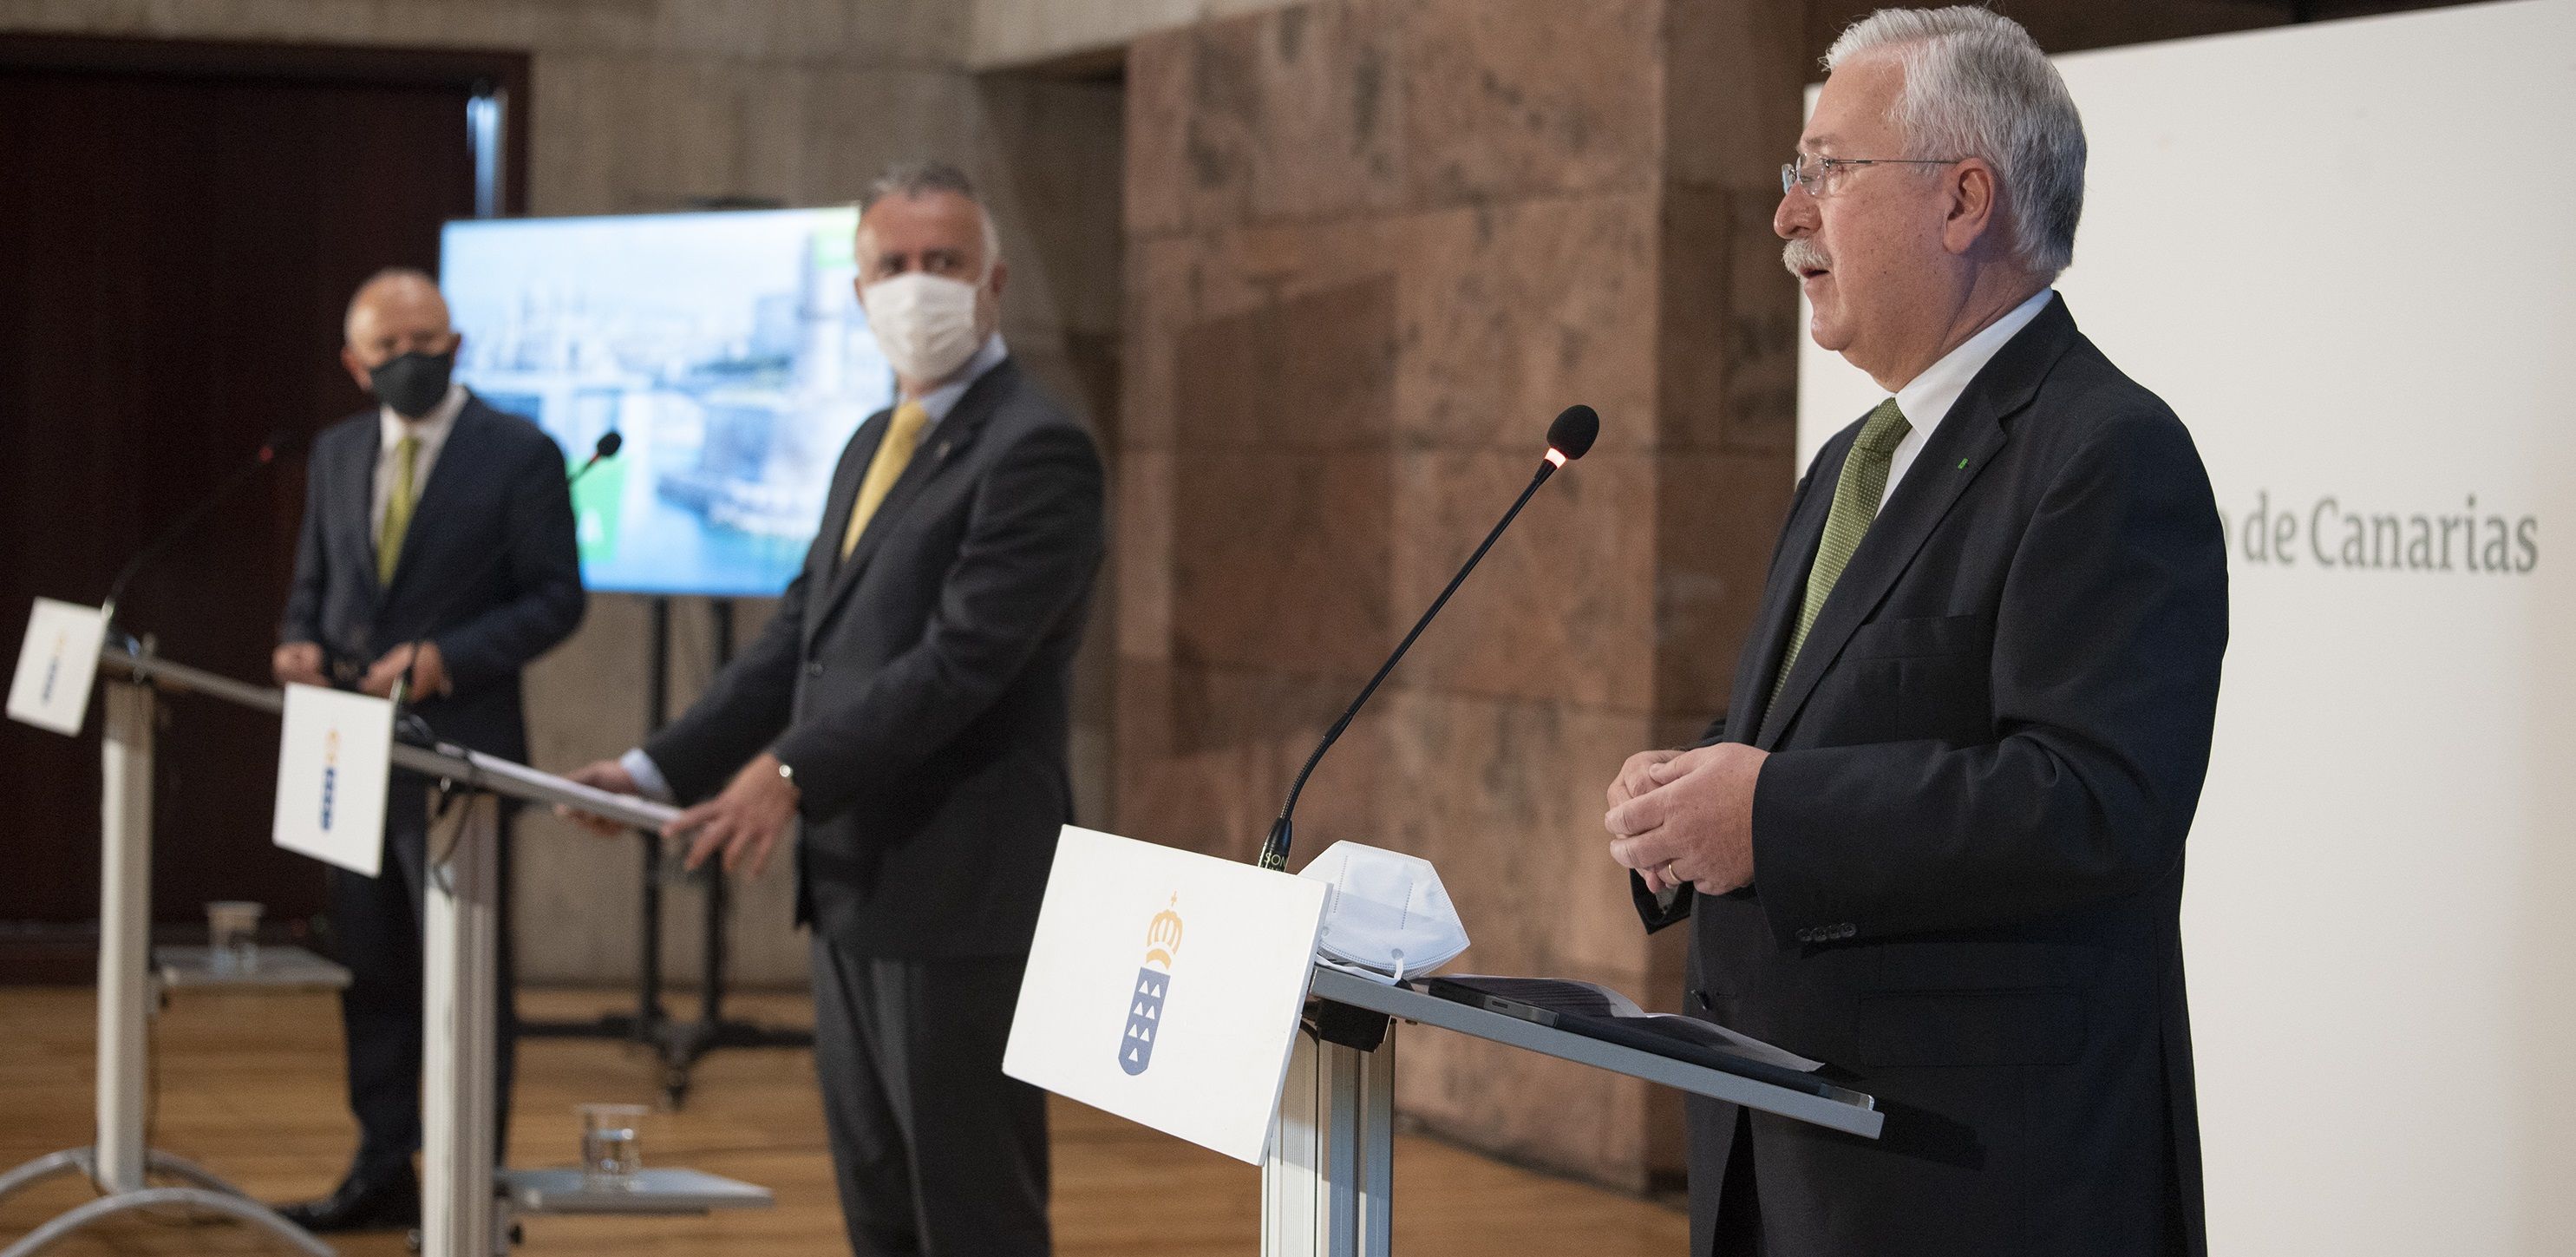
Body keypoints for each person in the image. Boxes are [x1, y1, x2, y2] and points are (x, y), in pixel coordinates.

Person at [1599, 10, 2227, 1256]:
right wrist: (1687, 796)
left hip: (1974, 1184)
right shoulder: (1850, 459)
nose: (1787, 212)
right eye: (1794, 174)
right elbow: (1820, 721)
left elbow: (2092, 801)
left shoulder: (2103, 453)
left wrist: (1765, 814)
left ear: (1963, 200)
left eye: (1824, 170)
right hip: (1781, 1150)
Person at [566, 161, 1104, 1257]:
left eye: (943, 263)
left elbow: (960, 663)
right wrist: (654, 768)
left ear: (994, 279)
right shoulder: (871, 439)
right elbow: (795, 647)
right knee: (879, 1201)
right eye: (893, 266)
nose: (919, 285)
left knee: (972, 1210)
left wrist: (790, 774)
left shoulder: (1036, 448)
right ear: (858, 291)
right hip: (856, 881)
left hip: (963, 891)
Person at [271, 267, 585, 1230]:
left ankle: (468, 1183)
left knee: (463, 978)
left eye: (429, 340)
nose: (413, 360)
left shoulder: (522, 453)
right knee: (370, 968)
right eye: (390, 348)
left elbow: (556, 599)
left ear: (457, 342)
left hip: (459, 755)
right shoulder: (334, 451)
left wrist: (448, 657)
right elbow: (316, 580)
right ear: (354, 364)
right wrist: (298, 640)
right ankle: (381, 1166)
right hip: (346, 747)